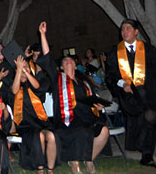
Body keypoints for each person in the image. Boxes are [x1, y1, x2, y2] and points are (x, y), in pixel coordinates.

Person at [38, 22, 108, 174]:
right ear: (61, 67)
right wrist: (43, 34)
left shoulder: (84, 82)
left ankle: (88, 159)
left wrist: (99, 107)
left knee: (104, 131)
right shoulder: (57, 79)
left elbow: (92, 99)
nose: (68, 61)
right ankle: (74, 163)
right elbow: (47, 57)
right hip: (66, 119)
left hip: (87, 117)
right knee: (81, 130)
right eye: (65, 61)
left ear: (76, 66)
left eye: (71, 61)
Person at [105, 18, 156, 168]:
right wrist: (123, 83)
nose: (124, 32)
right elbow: (111, 76)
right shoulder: (115, 52)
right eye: (122, 29)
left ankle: (147, 156)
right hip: (130, 97)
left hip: (150, 94)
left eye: (128, 28)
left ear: (136, 32)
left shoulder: (148, 49)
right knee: (143, 120)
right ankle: (140, 145)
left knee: (152, 120)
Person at [7, 54, 56, 174]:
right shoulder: (13, 86)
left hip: (40, 122)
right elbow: (14, 91)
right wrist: (19, 70)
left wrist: (25, 70)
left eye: (27, 67)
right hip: (25, 125)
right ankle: (40, 169)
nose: (24, 70)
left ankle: (50, 169)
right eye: (21, 68)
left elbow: (38, 86)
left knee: (51, 136)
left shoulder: (36, 82)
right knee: (38, 136)